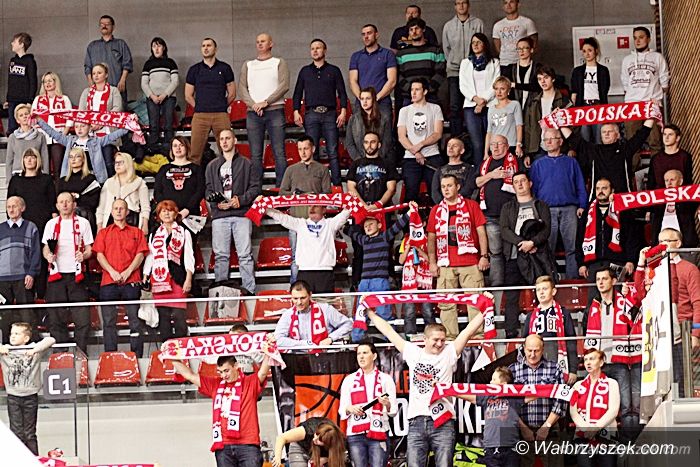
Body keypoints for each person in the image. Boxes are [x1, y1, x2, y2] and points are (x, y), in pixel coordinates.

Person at [366, 297, 486, 467]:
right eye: (435, 340)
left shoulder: (449, 352)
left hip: (443, 422)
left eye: (443, 340)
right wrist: (370, 313)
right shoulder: (413, 352)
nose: (440, 343)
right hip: (416, 421)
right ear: (425, 339)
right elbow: (389, 332)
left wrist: (486, 308)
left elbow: (467, 331)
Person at [171, 351, 273, 467]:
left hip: (248, 445)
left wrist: (270, 349)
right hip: (223, 446)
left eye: (226, 371)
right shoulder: (215, 384)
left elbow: (263, 372)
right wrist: (171, 357)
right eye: (220, 372)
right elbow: (190, 375)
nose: (223, 375)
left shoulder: (250, 382)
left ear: (236, 366)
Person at [637, 228, 700, 397]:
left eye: (666, 241)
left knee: (681, 379)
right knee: (663, 381)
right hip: (659, 333)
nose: (662, 246)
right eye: (659, 242)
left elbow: (697, 302)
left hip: (682, 333)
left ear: (678, 244)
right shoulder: (655, 270)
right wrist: (641, 263)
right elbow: (640, 295)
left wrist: (696, 333)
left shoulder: (689, 269)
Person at [583, 268, 641, 443]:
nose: (600, 282)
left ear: (613, 281)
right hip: (600, 364)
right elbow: (588, 334)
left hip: (621, 361)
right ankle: (607, 443)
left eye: (604, 279)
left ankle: (631, 444)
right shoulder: (593, 306)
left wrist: (628, 297)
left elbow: (636, 319)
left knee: (628, 406)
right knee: (602, 406)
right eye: (598, 279)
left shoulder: (623, 302)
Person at [427, 174, 488, 339]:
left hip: (470, 262)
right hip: (445, 263)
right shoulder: (436, 210)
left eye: (449, 186)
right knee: (446, 304)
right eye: (443, 187)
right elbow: (431, 238)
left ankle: (477, 336)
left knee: (475, 301)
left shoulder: (471, 205)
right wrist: (432, 262)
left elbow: (481, 232)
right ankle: (449, 338)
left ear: (458, 187)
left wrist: (484, 256)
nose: (446, 189)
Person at [205, 130, 260, 294]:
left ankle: (249, 291)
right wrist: (216, 203)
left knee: (245, 255)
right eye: (221, 139)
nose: (224, 142)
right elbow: (208, 190)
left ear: (234, 140)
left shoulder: (247, 164)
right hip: (219, 216)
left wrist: (240, 200)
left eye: (227, 138)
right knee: (221, 256)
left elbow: (255, 188)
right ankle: (221, 292)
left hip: (241, 214)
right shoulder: (212, 166)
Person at [455, 366, 544, 467]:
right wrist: (445, 389)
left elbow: (539, 393)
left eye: (493, 379)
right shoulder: (486, 398)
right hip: (490, 449)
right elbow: (461, 393)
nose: (490, 382)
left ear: (503, 384)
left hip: (511, 449)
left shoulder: (514, 398)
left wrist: (554, 389)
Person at [529, 128, 588, 279]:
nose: (548, 142)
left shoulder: (571, 162)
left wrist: (582, 206)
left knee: (572, 248)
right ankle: (550, 281)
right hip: (546, 210)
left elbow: (580, 185)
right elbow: (533, 190)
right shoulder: (537, 164)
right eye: (545, 139)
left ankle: (572, 281)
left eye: (552, 138)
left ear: (560, 141)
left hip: (570, 209)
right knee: (548, 248)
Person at [93, 198, 149, 356]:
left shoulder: (137, 232)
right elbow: (99, 255)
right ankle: (110, 356)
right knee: (108, 321)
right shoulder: (103, 233)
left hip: (132, 280)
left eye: (122, 208)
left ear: (127, 211)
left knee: (135, 321)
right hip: (108, 281)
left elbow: (140, 255)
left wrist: (127, 272)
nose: (118, 211)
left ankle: (137, 356)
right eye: (115, 208)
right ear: (111, 212)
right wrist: (112, 272)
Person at [348, 206, 413, 342]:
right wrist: (346, 215)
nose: (368, 227)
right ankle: (356, 341)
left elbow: (397, 226)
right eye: (365, 226)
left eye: (371, 224)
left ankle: (390, 341)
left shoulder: (384, 237)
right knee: (360, 313)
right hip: (364, 282)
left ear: (379, 225)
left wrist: (409, 212)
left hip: (380, 281)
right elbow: (350, 231)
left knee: (384, 312)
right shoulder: (364, 240)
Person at [500, 171, 551, 338]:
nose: (520, 184)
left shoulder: (541, 205)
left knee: (541, 292)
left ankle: (542, 329)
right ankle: (511, 332)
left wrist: (532, 243)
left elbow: (546, 230)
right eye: (516, 182)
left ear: (530, 183)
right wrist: (522, 243)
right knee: (511, 295)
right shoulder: (507, 207)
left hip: (537, 257)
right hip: (514, 256)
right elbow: (504, 230)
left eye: (523, 181)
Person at [42, 192, 94, 354]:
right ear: (57, 206)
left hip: (77, 276)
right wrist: (48, 256)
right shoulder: (51, 224)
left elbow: (89, 249)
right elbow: (45, 248)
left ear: (74, 205)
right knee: (56, 318)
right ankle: (60, 355)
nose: (64, 205)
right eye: (61, 202)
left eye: (68, 201)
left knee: (82, 319)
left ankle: (81, 354)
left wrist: (84, 255)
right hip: (56, 275)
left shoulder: (83, 223)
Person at [347, 131, 400, 288]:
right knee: (359, 249)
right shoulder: (356, 164)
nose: (369, 145)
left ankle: (388, 281)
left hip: (381, 212)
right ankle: (357, 284)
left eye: (372, 142)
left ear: (379, 144)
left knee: (384, 247)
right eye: (366, 142)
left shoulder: (387, 164)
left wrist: (378, 204)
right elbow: (351, 187)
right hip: (360, 212)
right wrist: (363, 205)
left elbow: (391, 188)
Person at [263, 202, 351, 294]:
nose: (311, 209)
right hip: (304, 273)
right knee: (304, 302)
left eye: (316, 206)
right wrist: (265, 206)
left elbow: (347, 211)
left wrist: (354, 197)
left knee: (324, 303)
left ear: (324, 210)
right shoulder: (300, 224)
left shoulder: (331, 224)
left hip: (325, 273)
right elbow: (281, 217)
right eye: (309, 206)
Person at [292, 38, 347, 186]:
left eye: (318, 48)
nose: (315, 51)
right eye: (312, 48)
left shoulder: (334, 70)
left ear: (325, 50)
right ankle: (314, 185)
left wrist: (343, 111)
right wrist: (296, 111)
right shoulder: (304, 71)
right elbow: (297, 93)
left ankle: (337, 187)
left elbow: (342, 92)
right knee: (312, 152)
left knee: (333, 152)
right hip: (311, 114)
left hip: (330, 114)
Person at [238, 33, 290, 186]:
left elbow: (284, 85)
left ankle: (281, 189)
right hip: (253, 112)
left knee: (279, 152)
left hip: (275, 110)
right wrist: (254, 104)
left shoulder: (279, 62)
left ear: (271, 44)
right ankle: (256, 189)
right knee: (255, 155)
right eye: (257, 42)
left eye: (263, 41)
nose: (259, 44)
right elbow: (242, 87)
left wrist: (266, 102)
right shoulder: (248, 64)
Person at [279, 135, 332, 284]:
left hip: (317, 222)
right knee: (296, 257)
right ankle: (296, 289)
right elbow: (282, 193)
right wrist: (295, 195)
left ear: (313, 149)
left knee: (319, 256)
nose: (302, 152)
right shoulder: (290, 170)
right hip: (296, 221)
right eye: (300, 149)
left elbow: (328, 195)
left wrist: (314, 197)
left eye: (306, 148)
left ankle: (316, 288)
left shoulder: (322, 170)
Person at [508, 334, 567, 467]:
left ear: (543, 349)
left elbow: (561, 399)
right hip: (521, 431)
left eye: (536, 350)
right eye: (529, 350)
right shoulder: (513, 370)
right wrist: (523, 428)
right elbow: (508, 403)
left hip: (550, 430)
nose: (532, 354)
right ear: (523, 348)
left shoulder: (554, 368)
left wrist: (546, 427)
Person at [339, 340, 398, 467]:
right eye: (359, 354)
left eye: (365, 353)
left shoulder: (386, 379)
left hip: (379, 430)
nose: (361, 356)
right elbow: (342, 409)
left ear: (374, 356)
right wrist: (350, 408)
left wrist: (387, 404)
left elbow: (393, 411)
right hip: (355, 434)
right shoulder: (349, 380)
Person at [561, 118, 654, 198]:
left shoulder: (625, 149)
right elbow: (573, 139)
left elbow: (642, 134)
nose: (606, 134)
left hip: (623, 200)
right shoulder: (593, 150)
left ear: (618, 135)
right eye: (604, 132)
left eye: (610, 131)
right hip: (598, 201)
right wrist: (559, 121)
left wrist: (652, 112)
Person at [7, 150, 57, 300]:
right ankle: (25, 293)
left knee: (41, 258)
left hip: (43, 225)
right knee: (23, 258)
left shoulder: (46, 179)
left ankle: (41, 294)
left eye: (33, 157)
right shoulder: (16, 180)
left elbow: (52, 205)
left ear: (38, 160)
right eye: (26, 157)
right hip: (22, 226)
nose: (29, 160)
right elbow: (10, 204)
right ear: (22, 160)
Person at [0, 322, 55, 455]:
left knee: (29, 433)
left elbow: (50, 340)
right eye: (11, 333)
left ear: (26, 338)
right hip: (13, 397)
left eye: (17, 334)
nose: (13, 336)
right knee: (16, 433)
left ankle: (34, 459)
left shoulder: (34, 349)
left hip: (30, 397)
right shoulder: (6, 350)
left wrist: (34, 350)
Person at [143, 200, 195, 342]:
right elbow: (151, 256)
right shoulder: (154, 233)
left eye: (170, 210)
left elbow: (189, 256)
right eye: (163, 211)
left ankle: (182, 349)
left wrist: (188, 279)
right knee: (163, 319)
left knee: (179, 318)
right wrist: (145, 275)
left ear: (176, 213)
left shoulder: (184, 232)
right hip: (159, 280)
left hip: (178, 279)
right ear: (159, 215)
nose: (166, 214)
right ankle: (166, 350)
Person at [475, 134, 519, 291]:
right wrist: (491, 175)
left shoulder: (516, 161)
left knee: (513, 251)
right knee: (495, 252)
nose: (495, 147)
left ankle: (513, 285)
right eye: (493, 144)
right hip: (490, 216)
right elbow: (476, 182)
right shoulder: (485, 164)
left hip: (512, 216)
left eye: (499, 144)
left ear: (507, 146)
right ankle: (497, 287)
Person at [35, 113, 128, 185]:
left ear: (90, 127)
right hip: (72, 177)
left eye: (83, 126)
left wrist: (128, 127)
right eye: (76, 126)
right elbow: (53, 133)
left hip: (92, 177)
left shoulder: (97, 141)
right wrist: (39, 120)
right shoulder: (69, 140)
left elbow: (113, 136)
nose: (79, 129)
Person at [185, 37, 236, 165]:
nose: (206, 48)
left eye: (209, 45)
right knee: (195, 154)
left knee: (227, 151)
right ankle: (195, 178)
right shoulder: (194, 70)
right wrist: (199, 107)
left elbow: (232, 93)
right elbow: (188, 95)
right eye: (203, 46)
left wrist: (221, 105)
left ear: (215, 49)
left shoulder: (225, 68)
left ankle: (228, 176)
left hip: (221, 115)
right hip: (200, 116)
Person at [575, 178, 636, 281]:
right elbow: (579, 239)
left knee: (618, 291)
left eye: (604, 188)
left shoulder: (623, 211)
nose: (600, 191)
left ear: (612, 190)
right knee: (594, 292)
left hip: (617, 262)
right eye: (597, 188)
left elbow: (632, 237)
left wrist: (631, 260)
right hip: (593, 264)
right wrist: (581, 264)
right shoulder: (588, 212)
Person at [621, 26, 669, 154]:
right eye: (635, 38)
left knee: (655, 141)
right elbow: (625, 83)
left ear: (648, 39)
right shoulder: (627, 60)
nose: (637, 41)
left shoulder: (657, 57)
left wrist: (656, 96)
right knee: (632, 143)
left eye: (641, 37)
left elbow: (664, 82)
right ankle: (633, 168)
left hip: (651, 104)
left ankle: (656, 167)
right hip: (632, 105)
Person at [522, 276, 578, 384]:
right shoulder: (530, 316)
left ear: (553, 291)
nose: (541, 292)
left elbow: (571, 342)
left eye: (545, 289)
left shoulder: (563, 313)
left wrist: (573, 369)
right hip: (536, 363)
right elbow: (524, 343)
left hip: (557, 359)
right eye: (538, 290)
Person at [0, 197, 42, 341]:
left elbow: (36, 253)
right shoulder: (0, 229)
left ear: (22, 208)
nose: (11, 210)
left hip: (23, 277)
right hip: (2, 279)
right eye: (8, 207)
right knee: (4, 317)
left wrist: (31, 273)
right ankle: (7, 347)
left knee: (27, 315)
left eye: (14, 206)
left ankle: (31, 346)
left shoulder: (31, 227)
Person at [570, 349, 620, 467]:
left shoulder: (612, 383)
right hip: (583, 436)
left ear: (601, 362)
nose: (588, 362)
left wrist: (595, 428)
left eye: (592, 359)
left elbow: (613, 410)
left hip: (607, 435)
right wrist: (587, 429)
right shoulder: (577, 386)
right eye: (585, 360)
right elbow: (573, 412)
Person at [398, 78, 444, 203]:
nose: (413, 93)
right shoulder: (404, 110)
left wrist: (420, 145)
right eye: (412, 90)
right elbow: (401, 136)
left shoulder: (435, 108)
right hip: (410, 157)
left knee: (436, 194)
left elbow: (438, 133)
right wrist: (416, 152)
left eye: (417, 89)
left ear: (425, 92)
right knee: (410, 194)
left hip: (432, 155)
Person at [442, 0, 484, 137]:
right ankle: (457, 139)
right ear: (455, 6)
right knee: (455, 106)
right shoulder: (448, 26)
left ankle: (474, 138)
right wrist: (454, 61)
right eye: (458, 3)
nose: (461, 6)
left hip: (474, 70)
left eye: (464, 3)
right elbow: (446, 49)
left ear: (468, 5)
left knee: (474, 104)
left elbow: (481, 44)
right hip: (454, 71)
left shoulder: (478, 23)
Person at [459, 33, 500, 166]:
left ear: (485, 44)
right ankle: (478, 171)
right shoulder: (465, 63)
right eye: (473, 42)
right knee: (477, 143)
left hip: (490, 105)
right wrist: (476, 99)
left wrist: (483, 101)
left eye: (479, 42)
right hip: (471, 106)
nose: (475, 45)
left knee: (492, 141)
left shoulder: (494, 62)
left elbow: (496, 84)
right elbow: (463, 86)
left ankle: (492, 168)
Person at [274, 280, 352, 348]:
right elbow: (278, 339)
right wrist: (303, 344)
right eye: (295, 298)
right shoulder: (287, 315)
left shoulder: (325, 309)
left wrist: (330, 338)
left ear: (310, 295)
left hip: (324, 354)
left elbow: (348, 324)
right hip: (298, 356)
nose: (299, 302)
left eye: (303, 298)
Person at [79, 63, 123, 176]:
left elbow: (117, 109)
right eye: (94, 73)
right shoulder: (86, 92)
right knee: (92, 164)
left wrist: (101, 122)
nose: (96, 75)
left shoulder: (113, 91)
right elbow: (81, 112)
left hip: (108, 133)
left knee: (108, 162)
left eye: (99, 73)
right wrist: (90, 125)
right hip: (90, 133)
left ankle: (110, 184)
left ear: (106, 75)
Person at [153, 136, 206, 232]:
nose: (178, 148)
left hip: (190, 216)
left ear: (187, 148)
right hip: (168, 217)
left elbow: (200, 191)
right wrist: (167, 210)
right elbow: (157, 191)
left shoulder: (197, 169)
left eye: (181, 145)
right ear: (171, 149)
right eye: (175, 146)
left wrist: (187, 210)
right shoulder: (164, 169)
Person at [398, 208, 435, 337]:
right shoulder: (405, 239)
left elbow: (431, 260)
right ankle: (410, 337)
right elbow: (401, 260)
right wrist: (409, 246)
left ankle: (432, 335)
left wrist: (419, 249)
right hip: (409, 280)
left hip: (425, 280)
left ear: (423, 223)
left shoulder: (429, 239)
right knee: (409, 312)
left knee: (428, 311)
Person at [349, 24, 397, 122]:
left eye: (369, 33)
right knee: (359, 131)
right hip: (361, 104)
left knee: (384, 131)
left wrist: (375, 98)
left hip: (382, 102)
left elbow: (392, 81)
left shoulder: (388, 54)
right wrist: (363, 99)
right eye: (363, 34)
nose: (366, 36)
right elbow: (353, 81)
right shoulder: (356, 56)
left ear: (376, 35)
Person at [31, 71, 73, 180]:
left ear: (56, 82)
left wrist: (63, 135)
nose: (47, 83)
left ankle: (58, 190)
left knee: (58, 169)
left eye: (50, 81)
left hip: (58, 137)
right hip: (42, 137)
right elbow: (33, 118)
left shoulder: (64, 99)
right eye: (45, 82)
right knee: (44, 170)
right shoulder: (38, 99)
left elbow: (70, 118)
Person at [395, 18, 446, 106]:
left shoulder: (436, 50)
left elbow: (441, 71)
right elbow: (398, 74)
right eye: (411, 30)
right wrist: (410, 89)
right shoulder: (401, 53)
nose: (414, 32)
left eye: (417, 28)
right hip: (409, 97)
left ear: (423, 29)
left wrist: (428, 88)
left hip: (430, 96)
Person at [523, 66, 569, 163]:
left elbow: (573, 126)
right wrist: (527, 153)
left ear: (553, 79)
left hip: (560, 147)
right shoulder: (534, 102)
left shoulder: (564, 100)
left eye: (546, 77)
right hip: (538, 148)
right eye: (539, 79)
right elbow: (528, 128)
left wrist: (571, 148)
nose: (543, 81)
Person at [96, 152, 150, 234]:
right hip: (110, 222)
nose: (117, 165)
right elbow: (101, 207)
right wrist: (99, 226)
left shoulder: (139, 182)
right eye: (116, 162)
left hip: (132, 221)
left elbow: (145, 207)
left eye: (120, 162)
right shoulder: (108, 182)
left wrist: (145, 225)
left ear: (128, 163)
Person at [570, 37, 610, 144]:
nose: (587, 54)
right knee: (584, 139)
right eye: (584, 51)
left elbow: (605, 90)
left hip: (598, 106)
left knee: (599, 139)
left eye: (590, 50)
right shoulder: (577, 71)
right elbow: (574, 93)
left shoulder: (603, 70)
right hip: (583, 107)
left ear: (596, 51)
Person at [141, 37, 178, 150]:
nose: (156, 49)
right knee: (153, 126)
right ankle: (152, 150)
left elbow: (175, 81)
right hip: (152, 98)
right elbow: (144, 83)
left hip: (168, 98)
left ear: (164, 48)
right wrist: (152, 96)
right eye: (154, 46)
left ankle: (169, 149)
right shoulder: (148, 64)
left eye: (159, 46)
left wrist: (164, 95)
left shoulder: (170, 63)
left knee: (168, 125)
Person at [84, 15, 133, 101]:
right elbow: (87, 66)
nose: (104, 26)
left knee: (119, 108)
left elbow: (127, 64)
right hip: (98, 89)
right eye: (102, 24)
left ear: (113, 27)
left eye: (107, 24)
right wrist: (90, 82)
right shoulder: (92, 46)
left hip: (117, 87)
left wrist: (123, 80)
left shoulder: (121, 44)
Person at [649, 169, 699, 248]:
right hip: (660, 244)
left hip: (685, 244)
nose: (669, 183)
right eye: (666, 180)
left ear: (680, 181)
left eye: (672, 180)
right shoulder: (657, 200)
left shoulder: (688, 198)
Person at [272, 417, 347, 467]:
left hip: (321, 453)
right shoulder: (309, 429)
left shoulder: (341, 443)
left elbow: (340, 458)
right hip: (300, 447)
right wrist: (278, 457)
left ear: (328, 443)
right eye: (316, 434)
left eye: (320, 440)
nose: (314, 439)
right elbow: (281, 438)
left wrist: (326, 459)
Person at [345, 87, 393, 161]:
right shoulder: (353, 119)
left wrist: (376, 158)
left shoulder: (384, 119)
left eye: (368, 98)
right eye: (362, 99)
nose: (364, 101)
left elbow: (387, 142)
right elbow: (349, 143)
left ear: (373, 100)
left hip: (380, 161)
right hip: (359, 161)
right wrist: (359, 160)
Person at [5, 104, 49, 183]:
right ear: (18, 120)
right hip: (18, 175)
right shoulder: (12, 137)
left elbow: (45, 158)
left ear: (31, 116)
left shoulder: (40, 136)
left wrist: (46, 178)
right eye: (21, 115)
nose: (24, 116)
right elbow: (9, 160)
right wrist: (8, 181)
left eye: (26, 114)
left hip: (36, 175)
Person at [4, 32, 37, 134]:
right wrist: (8, 99)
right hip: (12, 99)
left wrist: (30, 100)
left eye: (14, 41)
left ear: (22, 44)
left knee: (25, 125)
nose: (12, 43)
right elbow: (11, 81)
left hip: (24, 100)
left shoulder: (30, 61)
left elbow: (33, 81)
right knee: (12, 127)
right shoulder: (12, 61)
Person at [484, 77, 523, 160]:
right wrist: (486, 152)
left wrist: (518, 144)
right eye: (496, 89)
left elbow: (519, 126)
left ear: (508, 90)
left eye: (502, 89)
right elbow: (489, 132)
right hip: (495, 148)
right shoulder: (491, 108)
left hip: (510, 145)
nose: (499, 92)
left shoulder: (515, 104)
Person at [492, 0, 538, 71]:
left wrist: (525, 58)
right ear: (503, 6)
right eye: (506, 3)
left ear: (518, 4)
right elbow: (497, 47)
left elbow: (534, 45)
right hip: (504, 64)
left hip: (522, 63)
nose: (508, 5)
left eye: (511, 2)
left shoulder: (527, 22)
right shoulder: (497, 25)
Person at [646, 124, 693, 191]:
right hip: (660, 195)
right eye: (664, 134)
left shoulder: (685, 156)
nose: (666, 137)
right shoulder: (655, 158)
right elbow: (650, 184)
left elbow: (688, 182)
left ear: (677, 138)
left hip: (679, 195)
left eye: (670, 134)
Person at [431, 137, 475, 204]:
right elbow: (435, 192)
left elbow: (468, 188)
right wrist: (444, 203)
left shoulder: (469, 169)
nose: (450, 148)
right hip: (443, 206)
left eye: (455, 146)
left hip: (463, 205)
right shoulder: (440, 170)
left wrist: (454, 201)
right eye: (448, 145)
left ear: (462, 151)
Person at [501, 37, 541, 110]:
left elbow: (537, 86)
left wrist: (515, 85)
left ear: (531, 50)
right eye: (519, 48)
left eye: (525, 48)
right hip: (513, 107)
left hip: (533, 107)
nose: (521, 51)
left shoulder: (538, 68)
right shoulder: (510, 68)